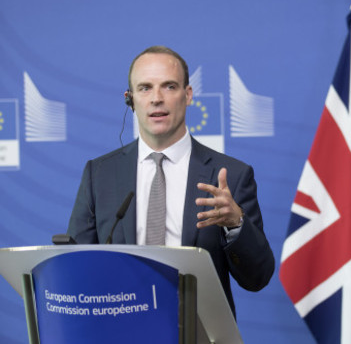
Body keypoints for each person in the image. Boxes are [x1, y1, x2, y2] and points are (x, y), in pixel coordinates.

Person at [67, 45, 275, 316]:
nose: (156, 98)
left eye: (169, 86)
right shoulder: (100, 174)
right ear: (130, 99)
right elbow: (74, 269)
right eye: (144, 88)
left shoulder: (231, 176)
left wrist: (236, 224)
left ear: (187, 95)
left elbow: (257, 278)